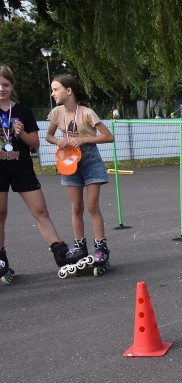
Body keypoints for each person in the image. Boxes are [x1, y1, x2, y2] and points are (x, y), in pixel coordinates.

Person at [0, 65, 81, 284]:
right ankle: (1, 259)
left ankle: (60, 252)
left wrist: (21, 132)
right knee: (0, 212)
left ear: (12, 86)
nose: (2, 88)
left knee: (40, 211)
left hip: (21, 168)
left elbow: (35, 143)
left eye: (5, 84)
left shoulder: (23, 111)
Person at [45, 74, 115, 270]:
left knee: (92, 206)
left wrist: (84, 140)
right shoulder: (57, 113)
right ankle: (79, 247)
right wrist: (59, 141)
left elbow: (109, 137)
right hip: (69, 161)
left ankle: (101, 247)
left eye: (55, 89)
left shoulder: (86, 112)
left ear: (69, 91)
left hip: (90, 161)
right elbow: (49, 136)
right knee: (76, 207)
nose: (53, 93)